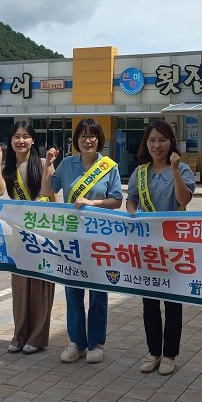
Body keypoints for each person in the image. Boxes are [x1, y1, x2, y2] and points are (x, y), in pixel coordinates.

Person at [50, 118, 122, 364]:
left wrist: (93, 203)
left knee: (98, 292)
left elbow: (116, 200)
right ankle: (76, 342)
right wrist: (49, 164)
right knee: (72, 290)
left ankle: (96, 343)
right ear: (76, 140)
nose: (87, 140)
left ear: (99, 139)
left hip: (100, 238)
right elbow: (48, 187)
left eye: (92, 135)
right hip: (72, 237)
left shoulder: (108, 166)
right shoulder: (67, 164)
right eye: (82, 136)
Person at [126, 120, 195, 376]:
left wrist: (175, 170)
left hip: (174, 246)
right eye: (152, 140)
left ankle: (170, 354)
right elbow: (131, 199)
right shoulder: (140, 172)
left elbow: (183, 199)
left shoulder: (183, 168)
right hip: (147, 247)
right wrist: (132, 214)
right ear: (146, 143)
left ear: (171, 143)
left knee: (173, 301)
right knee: (150, 302)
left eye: (162, 140)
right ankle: (154, 351)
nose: (157, 145)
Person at [0, 121, 58, 355]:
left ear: (33, 140)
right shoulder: (9, 167)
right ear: (11, 141)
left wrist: (49, 165)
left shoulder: (41, 164)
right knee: (20, 287)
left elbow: (50, 196)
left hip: (41, 236)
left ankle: (37, 337)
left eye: (26, 136)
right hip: (18, 235)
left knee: (40, 286)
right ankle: (19, 335)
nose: (21, 140)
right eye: (17, 136)